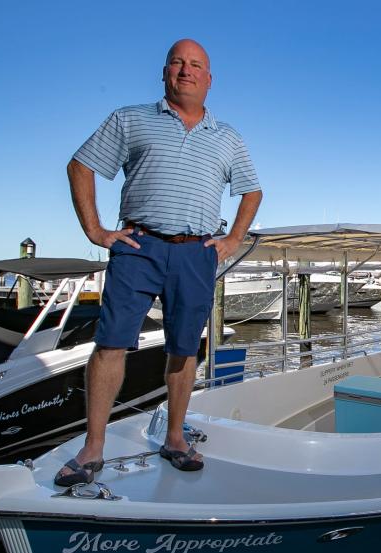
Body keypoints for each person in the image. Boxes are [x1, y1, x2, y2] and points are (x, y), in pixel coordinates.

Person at [55, 39, 262, 486]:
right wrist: (96, 232)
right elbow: (80, 166)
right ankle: (92, 449)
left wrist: (231, 240)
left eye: (196, 66)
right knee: (111, 343)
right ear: (165, 72)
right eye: (178, 63)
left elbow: (252, 191)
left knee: (184, 347)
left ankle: (174, 438)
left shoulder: (227, 137)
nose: (186, 71)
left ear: (209, 80)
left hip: (196, 252)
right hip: (139, 246)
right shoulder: (130, 119)